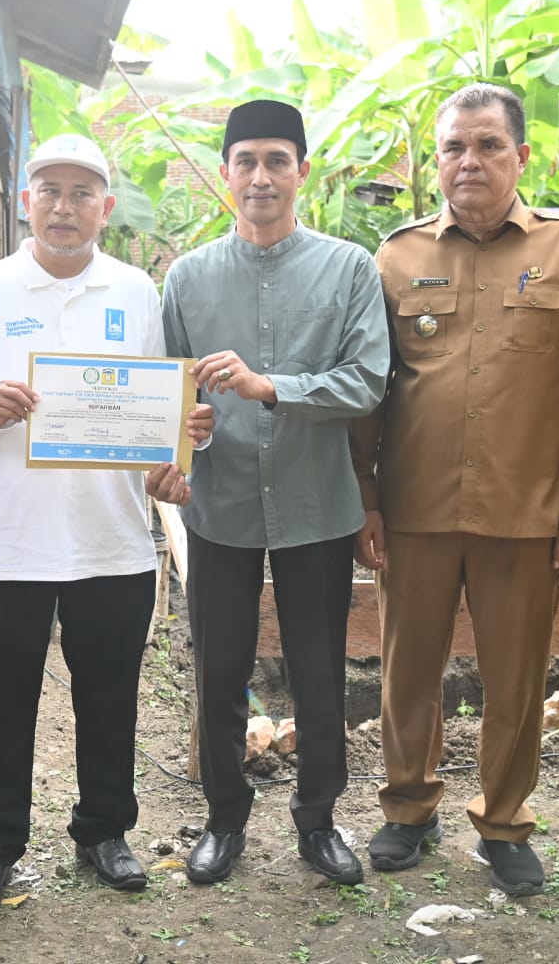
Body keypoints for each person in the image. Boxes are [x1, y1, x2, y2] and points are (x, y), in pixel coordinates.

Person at [0, 133, 215, 918]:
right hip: (9, 541)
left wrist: (178, 445)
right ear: (26, 201)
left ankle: (104, 830)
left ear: (106, 207)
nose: (64, 206)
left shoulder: (135, 291)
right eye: (50, 191)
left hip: (110, 537)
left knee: (110, 694)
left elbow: (158, 407)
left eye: (82, 192)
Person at [350, 83, 559, 896]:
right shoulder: (397, 257)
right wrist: (365, 497)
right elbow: (368, 392)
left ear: (521, 156)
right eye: (454, 147)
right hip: (415, 508)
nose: (469, 161)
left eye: (489, 145)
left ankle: (504, 821)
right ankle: (408, 807)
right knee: (407, 671)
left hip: (525, 511)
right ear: (436, 161)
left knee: (515, 679)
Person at [160, 100, 389, 886]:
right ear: (226, 173)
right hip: (219, 504)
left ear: (302, 171)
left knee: (319, 673)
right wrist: (183, 432)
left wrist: (269, 386)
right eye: (247, 161)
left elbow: (366, 381)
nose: (261, 176)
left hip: (315, 504)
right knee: (220, 668)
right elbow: (169, 394)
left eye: (277, 161)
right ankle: (224, 819)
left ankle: (318, 820)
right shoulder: (188, 278)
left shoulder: (349, 269)